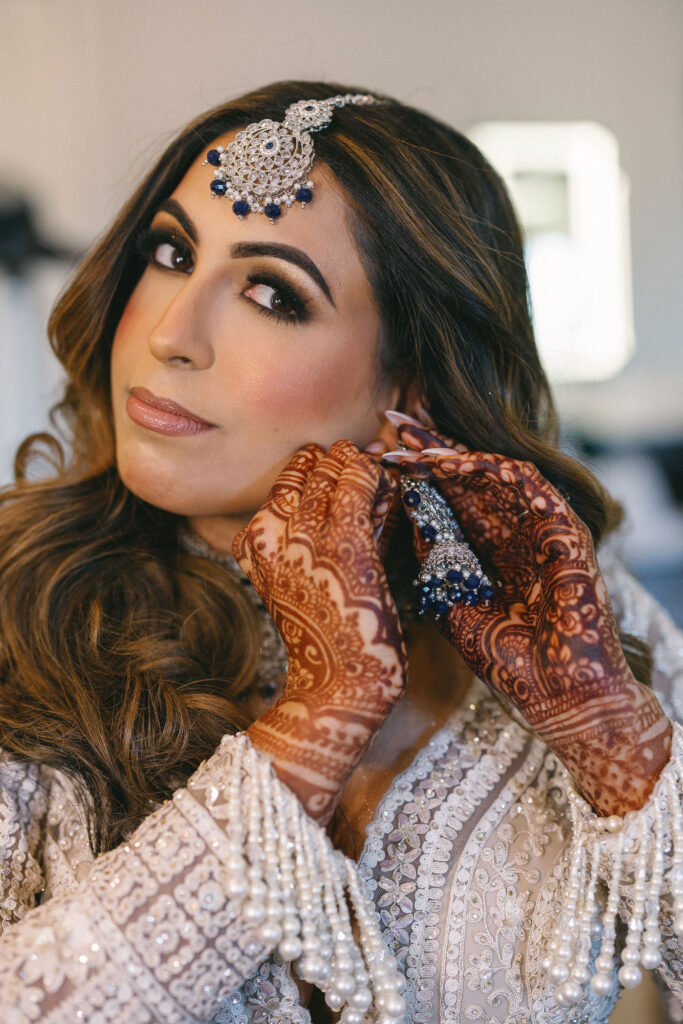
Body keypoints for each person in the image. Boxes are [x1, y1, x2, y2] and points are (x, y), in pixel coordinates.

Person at [0, 80, 680, 1024]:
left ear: (410, 382)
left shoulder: (569, 620)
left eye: (271, 293)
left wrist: (612, 739)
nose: (167, 334)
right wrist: (313, 728)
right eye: (169, 253)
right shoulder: (20, 613)